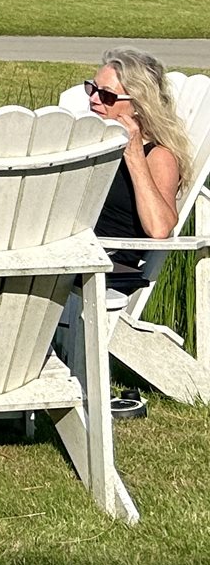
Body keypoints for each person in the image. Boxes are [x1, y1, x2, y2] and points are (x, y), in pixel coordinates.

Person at [83, 50, 192, 418]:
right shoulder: (89, 142)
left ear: (138, 104)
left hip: (108, 266)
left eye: (107, 95)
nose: (95, 100)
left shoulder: (158, 156)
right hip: (74, 252)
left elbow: (160, 228)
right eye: (92, 89)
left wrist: (132, 154)